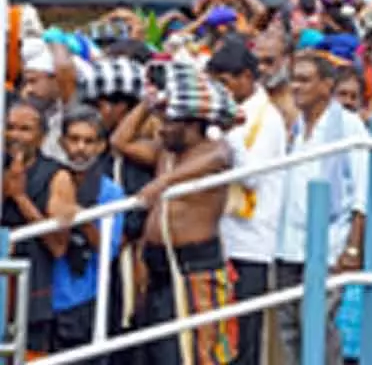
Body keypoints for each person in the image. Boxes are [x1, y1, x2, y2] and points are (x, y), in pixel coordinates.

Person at [134, 63, 240, 365]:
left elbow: (221, 157)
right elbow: (120, 141)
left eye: (169, 121)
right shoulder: (165, 152)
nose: (161, 128)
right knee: (157, 353)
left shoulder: (214, 150)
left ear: (192, 124)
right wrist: (148, 103)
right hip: (158, 265)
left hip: (194, 265)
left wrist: (165, 182)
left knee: (194, 354)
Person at [274, 54, 370, 365]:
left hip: (328, 244)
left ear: (327, 86)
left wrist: (353, 248)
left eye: (304, 80)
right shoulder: (296, 125)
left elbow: (363, 192)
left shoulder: (349, 125)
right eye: (294, 79)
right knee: (288, 328)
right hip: (287, 244)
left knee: (318, 326)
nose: (296, 87)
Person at [205, 40, 287, 365]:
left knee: (244, 340)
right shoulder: (230, 114)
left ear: (246, 78)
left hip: (251, 242)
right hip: (221, 238)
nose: (220, 91)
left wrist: (229, 135)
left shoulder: (266, 120)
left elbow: (252, 176)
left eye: (225, 84)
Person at [2, 100, 78, 357]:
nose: (15, 136)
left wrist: (20, 198)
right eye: (10, 127)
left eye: (25, 129)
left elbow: (58, 245)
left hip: (31, 288)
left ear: (42, 136)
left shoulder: (57, 176)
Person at [50, 108, 126, 358]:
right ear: (62, 142)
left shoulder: (111, 192)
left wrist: (80, 217)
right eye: (73, 139)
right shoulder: (46, 178)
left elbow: (109, 250)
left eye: (89, 141)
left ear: (101, 146)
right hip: (43, 295)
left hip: (84, 298)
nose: (80, 148)